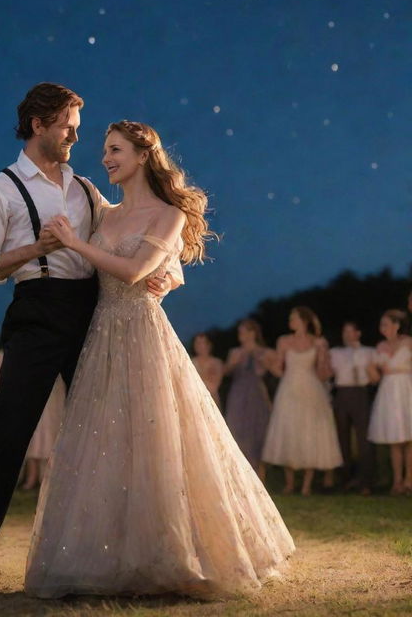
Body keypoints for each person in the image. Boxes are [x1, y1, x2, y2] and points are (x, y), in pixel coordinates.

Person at [24, 120, 294, 599]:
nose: (105, 158)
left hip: (145, 337)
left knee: (160, 442)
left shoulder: (168, 215)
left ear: (144, 154)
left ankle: (175, 554)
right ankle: (108, 559)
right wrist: (171, 278)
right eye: (105, 150)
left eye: (115, 150)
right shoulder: (102, 212)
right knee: (106, 446)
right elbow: (164, 271)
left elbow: (132, 270)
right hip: (101, 337)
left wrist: (78, 244)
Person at [0, 84, 177, 600]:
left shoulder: (87, 189)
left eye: (78, 129)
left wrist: (168, 276)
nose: (75, 136)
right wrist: (29, 249)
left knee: (110, 438)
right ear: (39, 124)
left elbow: (137, 232)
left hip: (94, 315)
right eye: (68, 126)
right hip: (37, 314)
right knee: (5, 441)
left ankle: (118, 563)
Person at [262, 307, 342, 495]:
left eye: (294, 318)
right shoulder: (283, 341)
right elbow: (279, 369)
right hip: (289, 388)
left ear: (304, 321)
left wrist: (323, 356)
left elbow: (322, 374)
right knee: (289, 430)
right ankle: (290, 483)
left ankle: (307, 484)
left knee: (309, 431)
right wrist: (268, 364)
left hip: (311, 389)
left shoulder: (317, 342)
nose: (290, 321)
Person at [367, 310, 412, 495]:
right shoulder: (380, 346)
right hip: (388, 391)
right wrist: (371, 370)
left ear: (396, 325)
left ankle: (409, 480)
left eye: (385, 324)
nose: (382, 328)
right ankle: (397, 481)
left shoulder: (408, 342)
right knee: (395, 439)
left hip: (406, 388)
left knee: (409, 439)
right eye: (381, 325)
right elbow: (375, 376)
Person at [224, 319, 274, 482]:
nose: (240, 335)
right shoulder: (235, 352)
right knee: (237, 430)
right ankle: (240, 478)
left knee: (258, 431)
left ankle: (261, 477)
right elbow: (226, 372)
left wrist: (263, 362)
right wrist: (232, 364)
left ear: (252, 333)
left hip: (257, 393)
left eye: (243, 331)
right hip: (238, 393)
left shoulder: (263, 351)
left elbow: (270, 371)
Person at [329, 322, 376, 495]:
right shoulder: (335, 353)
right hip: (342, 392)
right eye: (344, 331)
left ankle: (366, 481)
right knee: (342, 438)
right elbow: (328, 373)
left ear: (358, 333)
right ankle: (345, 479)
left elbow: (374, 377)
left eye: (350, 331)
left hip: (361, 392)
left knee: (364, 439)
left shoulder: (369, 352)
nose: (347, 335)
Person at [22, 375, 66, 490]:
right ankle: (32, 477)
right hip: (38, 407)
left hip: (52, 410)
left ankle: (45, 478)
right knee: (35, 442)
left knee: (49, 441)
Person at [190, 333, 224, 409]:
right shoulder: (189, 362)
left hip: (211, 402)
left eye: (202, 343)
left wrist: (197, 376)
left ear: (209, 345)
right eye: (197, 343)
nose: (199, 346)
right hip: (193, 401)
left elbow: (214, 386)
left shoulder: (216, 363)